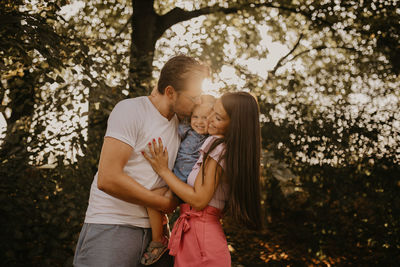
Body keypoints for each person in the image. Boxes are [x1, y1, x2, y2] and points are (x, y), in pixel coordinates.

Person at [73, 55, 210, 267]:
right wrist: (163, 203)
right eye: (193, 97)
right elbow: (108, 179)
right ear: (170, 92)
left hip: (157, 236)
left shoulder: (183, 127)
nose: (198, 102)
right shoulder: (131, 110)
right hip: (113, 226)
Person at [143, 91, 263, 266]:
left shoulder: (218, 148)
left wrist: (163, 170)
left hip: (202, 244)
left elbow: (199, 200)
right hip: (194, 236)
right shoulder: (223, 148)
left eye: (219, 118)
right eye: (212, 111)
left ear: (235, 125)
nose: (210, 119)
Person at [141, 95, 216, 265]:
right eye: (196, 117)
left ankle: (161, 238)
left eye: (205, 117)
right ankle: (159, 239)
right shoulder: (187, 130)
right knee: (152, 198)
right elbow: (182, 115)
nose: (199, 121)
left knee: (161, 203)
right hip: (174, 180)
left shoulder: (210, 140)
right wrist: (195, 103)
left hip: (187, 187)